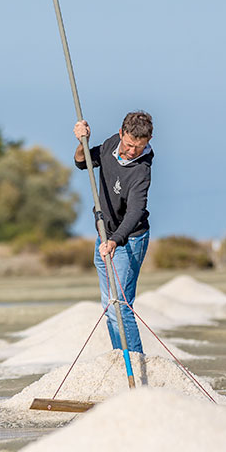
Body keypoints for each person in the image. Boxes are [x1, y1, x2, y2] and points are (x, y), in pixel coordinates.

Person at [73, 111, 154, 354]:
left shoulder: (141, 170)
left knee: (120, 305)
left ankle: (135, 363)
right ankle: (120, 357)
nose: (132, 151)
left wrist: (116, 241)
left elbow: (135, 212)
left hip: (129, 239)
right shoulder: (110, 144)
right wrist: (81, 141)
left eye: (139, 147)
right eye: (129, 145)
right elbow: (82, 162)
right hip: (104, 236)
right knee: (109, 306)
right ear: (121, 134)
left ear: (149, 140)